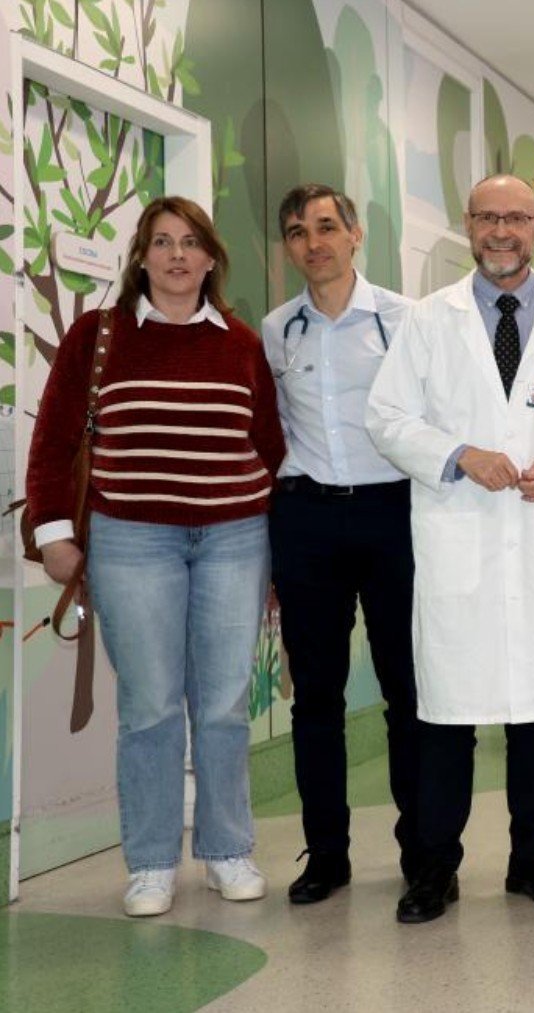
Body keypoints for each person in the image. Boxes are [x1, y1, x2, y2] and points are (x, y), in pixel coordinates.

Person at [26, 196, 286, 917]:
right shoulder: (97, 335)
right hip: (132, 539)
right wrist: (52, 531)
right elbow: (53, 439)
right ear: (141, 257)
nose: (177, 256)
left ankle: (229, 849)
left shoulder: (240, 344)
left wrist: (283, 548)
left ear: (210, 258)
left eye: (191, 243)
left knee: (226, 703)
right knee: (147, 708)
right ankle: (149, 862)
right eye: (162, 242)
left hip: (236, 536)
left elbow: (271, 447)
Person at [366, 173, 534, 925]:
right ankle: (434, 867)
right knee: (446, 719)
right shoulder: (429, 320)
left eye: (515, 218)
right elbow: (385, 415)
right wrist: (458, 454)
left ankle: (533, 862)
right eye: (486, 218)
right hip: (458, 534)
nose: (500, 230)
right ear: (467, 226)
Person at [261, 183, 420, 903]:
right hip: (307, 520)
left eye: (327, 227)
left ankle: (424, 848)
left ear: (356, 234)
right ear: (289, 247)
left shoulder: (404, 321)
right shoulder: (277, 329)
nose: (313, 242)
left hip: (393, 515)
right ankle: (326, 853)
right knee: (315, 697)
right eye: (298, 232)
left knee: (407, 691)